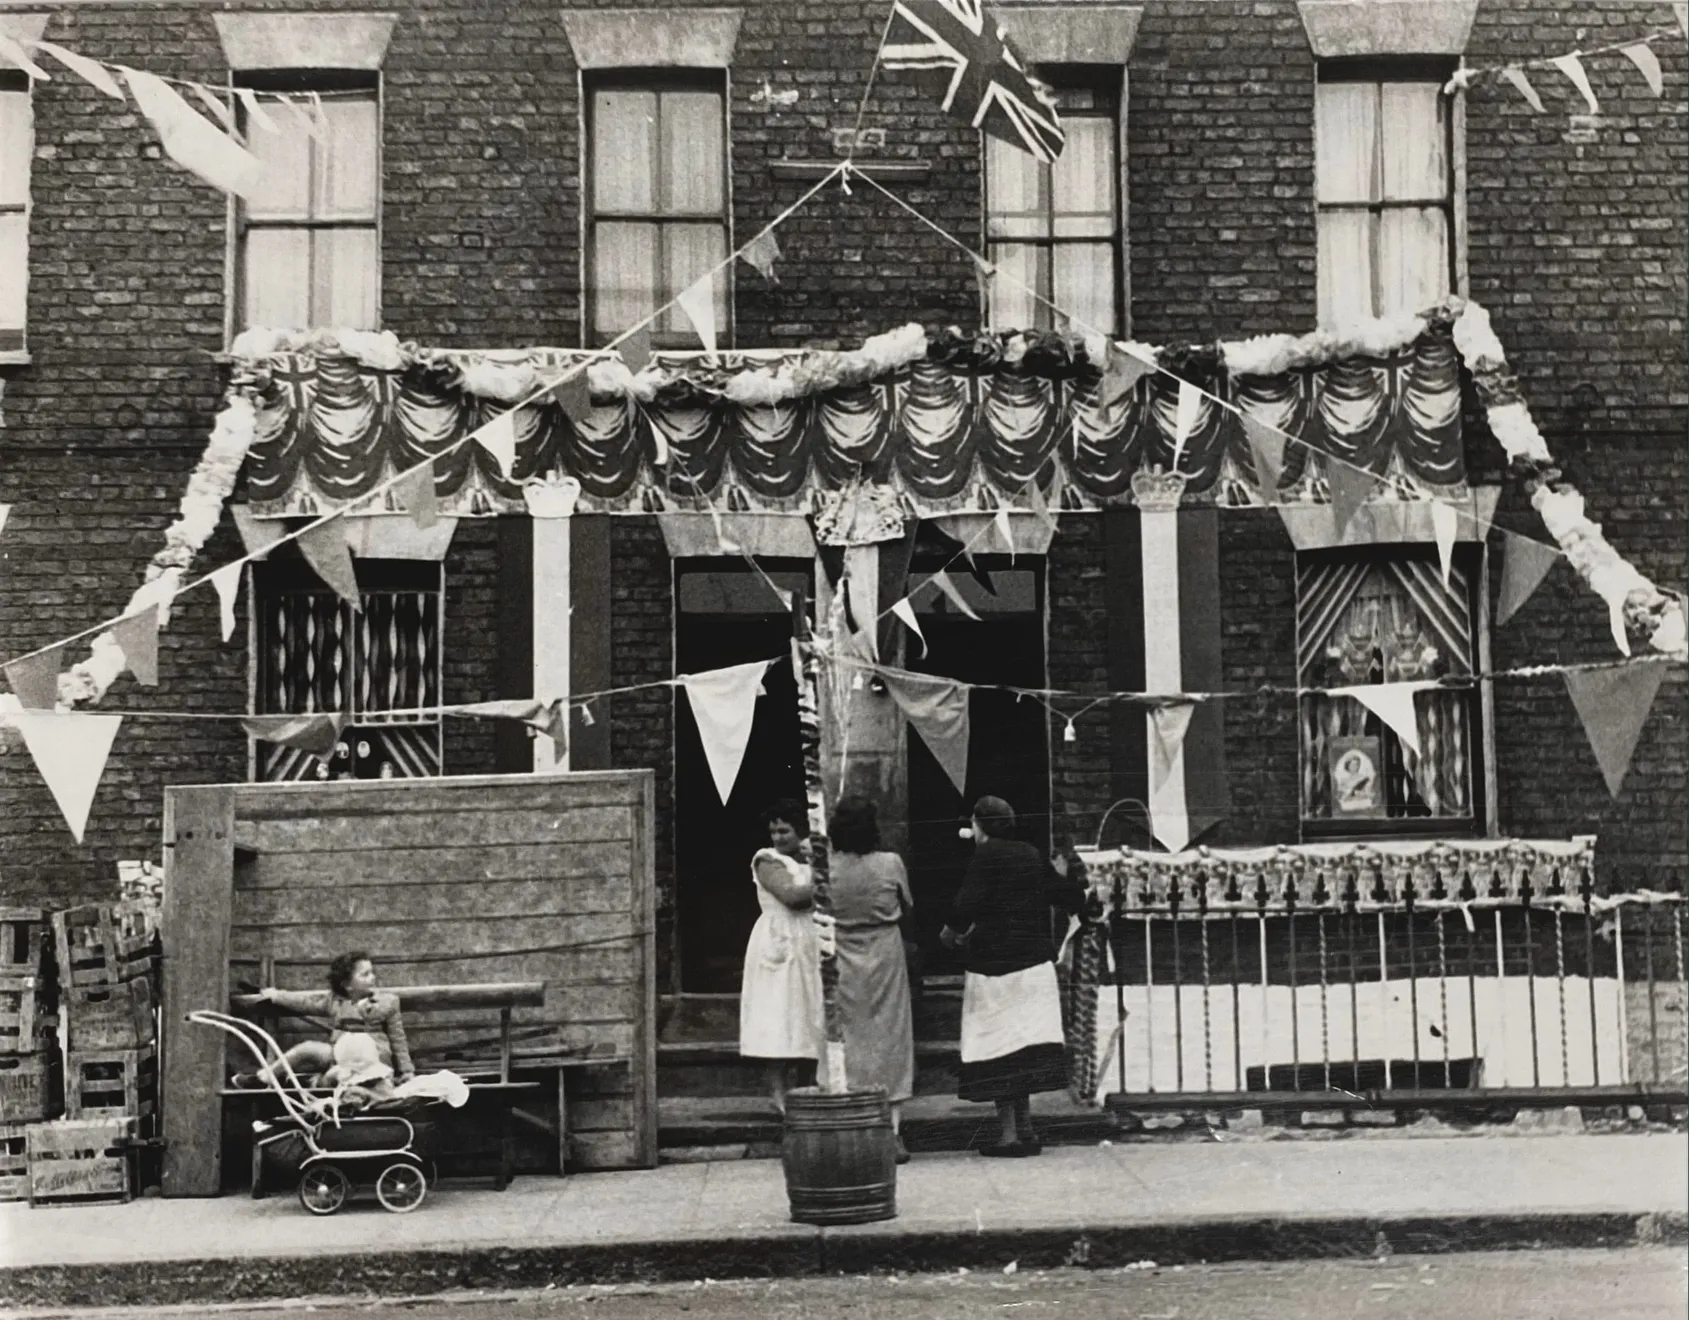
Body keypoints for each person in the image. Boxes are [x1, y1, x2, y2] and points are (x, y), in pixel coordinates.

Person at [940, 795, 1086, 1156]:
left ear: (979, 825)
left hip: (995, 969)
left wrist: (948, 936)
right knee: (1023, 1048)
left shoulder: (986, 855)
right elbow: (1067, 896)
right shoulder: (1031, 853)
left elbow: (964, 906)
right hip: (1034, 966)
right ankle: (1027, 1128)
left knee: (997, 1049)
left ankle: (1008, 1135)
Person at [825, 795, 916, 1163]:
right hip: (884, 953)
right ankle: (892, 1131)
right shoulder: (890, 863)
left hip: (843, 953)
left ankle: (848, 1123)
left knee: (847, 1036)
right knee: (891, 1037)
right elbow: (907, 904)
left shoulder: (826, 867)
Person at [739, 798, 823, 1113]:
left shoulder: (811, 858)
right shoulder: (767, 860)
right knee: (780, 1017)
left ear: (800, 830)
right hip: (780, 941)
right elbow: (793, 897)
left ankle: (808, 1089)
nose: (778, 838)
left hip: (811, 941)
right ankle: (778, 1095)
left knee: (809, 1017)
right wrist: (828, 875)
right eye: (773, 831)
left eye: (785, 831)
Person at [232, 950, 414, 1089]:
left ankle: (311, 1084)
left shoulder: (387, 1003)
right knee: (306, 1049)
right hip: (339, 1055)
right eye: (365, 975)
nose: (372, 978)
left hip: (371, 1061)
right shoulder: (334, 1002)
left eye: (372, 973)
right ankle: (265, 1078)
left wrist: (407, 1071)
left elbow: (398, 1039)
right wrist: (275, 995)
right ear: (347, 985)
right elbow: (304, 1002)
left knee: (334, 1078)